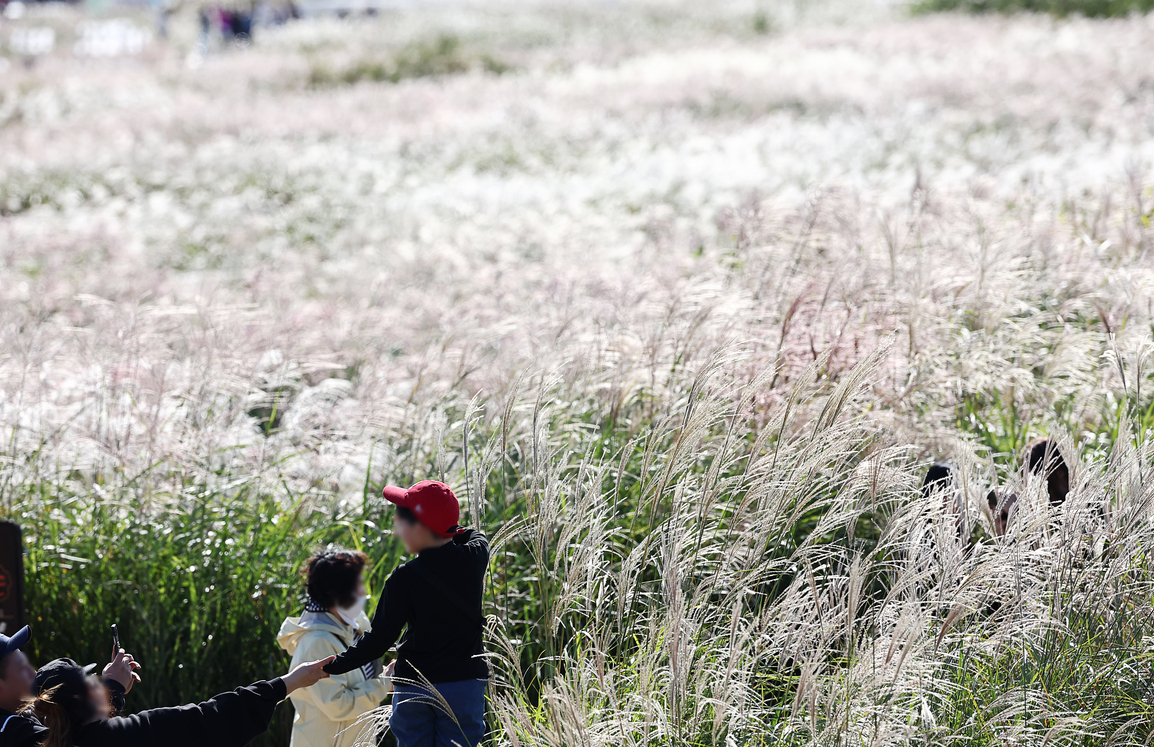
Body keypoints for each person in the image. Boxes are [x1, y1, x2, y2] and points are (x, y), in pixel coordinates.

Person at [323, 480, 489, 747]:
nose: (396, 526)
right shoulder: (476, 557)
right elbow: (473, 534)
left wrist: (334, 665)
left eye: (401, 518)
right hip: (463, 684)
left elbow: (379, 640)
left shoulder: (404, 578)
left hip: (414, 687)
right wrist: (448, 529)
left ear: (420, 527)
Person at [26, 652, 333, 747]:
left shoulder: (40, 736)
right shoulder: (136, 732)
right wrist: (291, 681)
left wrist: (113, 691)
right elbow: (214, 716)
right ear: (85, 698)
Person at [278, 548, 394, 747]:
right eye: (357, 584)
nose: (364, 592)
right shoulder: (317, 642)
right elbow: (338, 706)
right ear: (337, 591)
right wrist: (385, 683)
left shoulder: (354, 625)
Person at [0, 627, 138, 747]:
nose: (33, 672)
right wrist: (113, 688)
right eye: (21, 668)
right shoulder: (10, 732)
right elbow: (83, 742)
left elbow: (77, 731)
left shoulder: (21, 716)